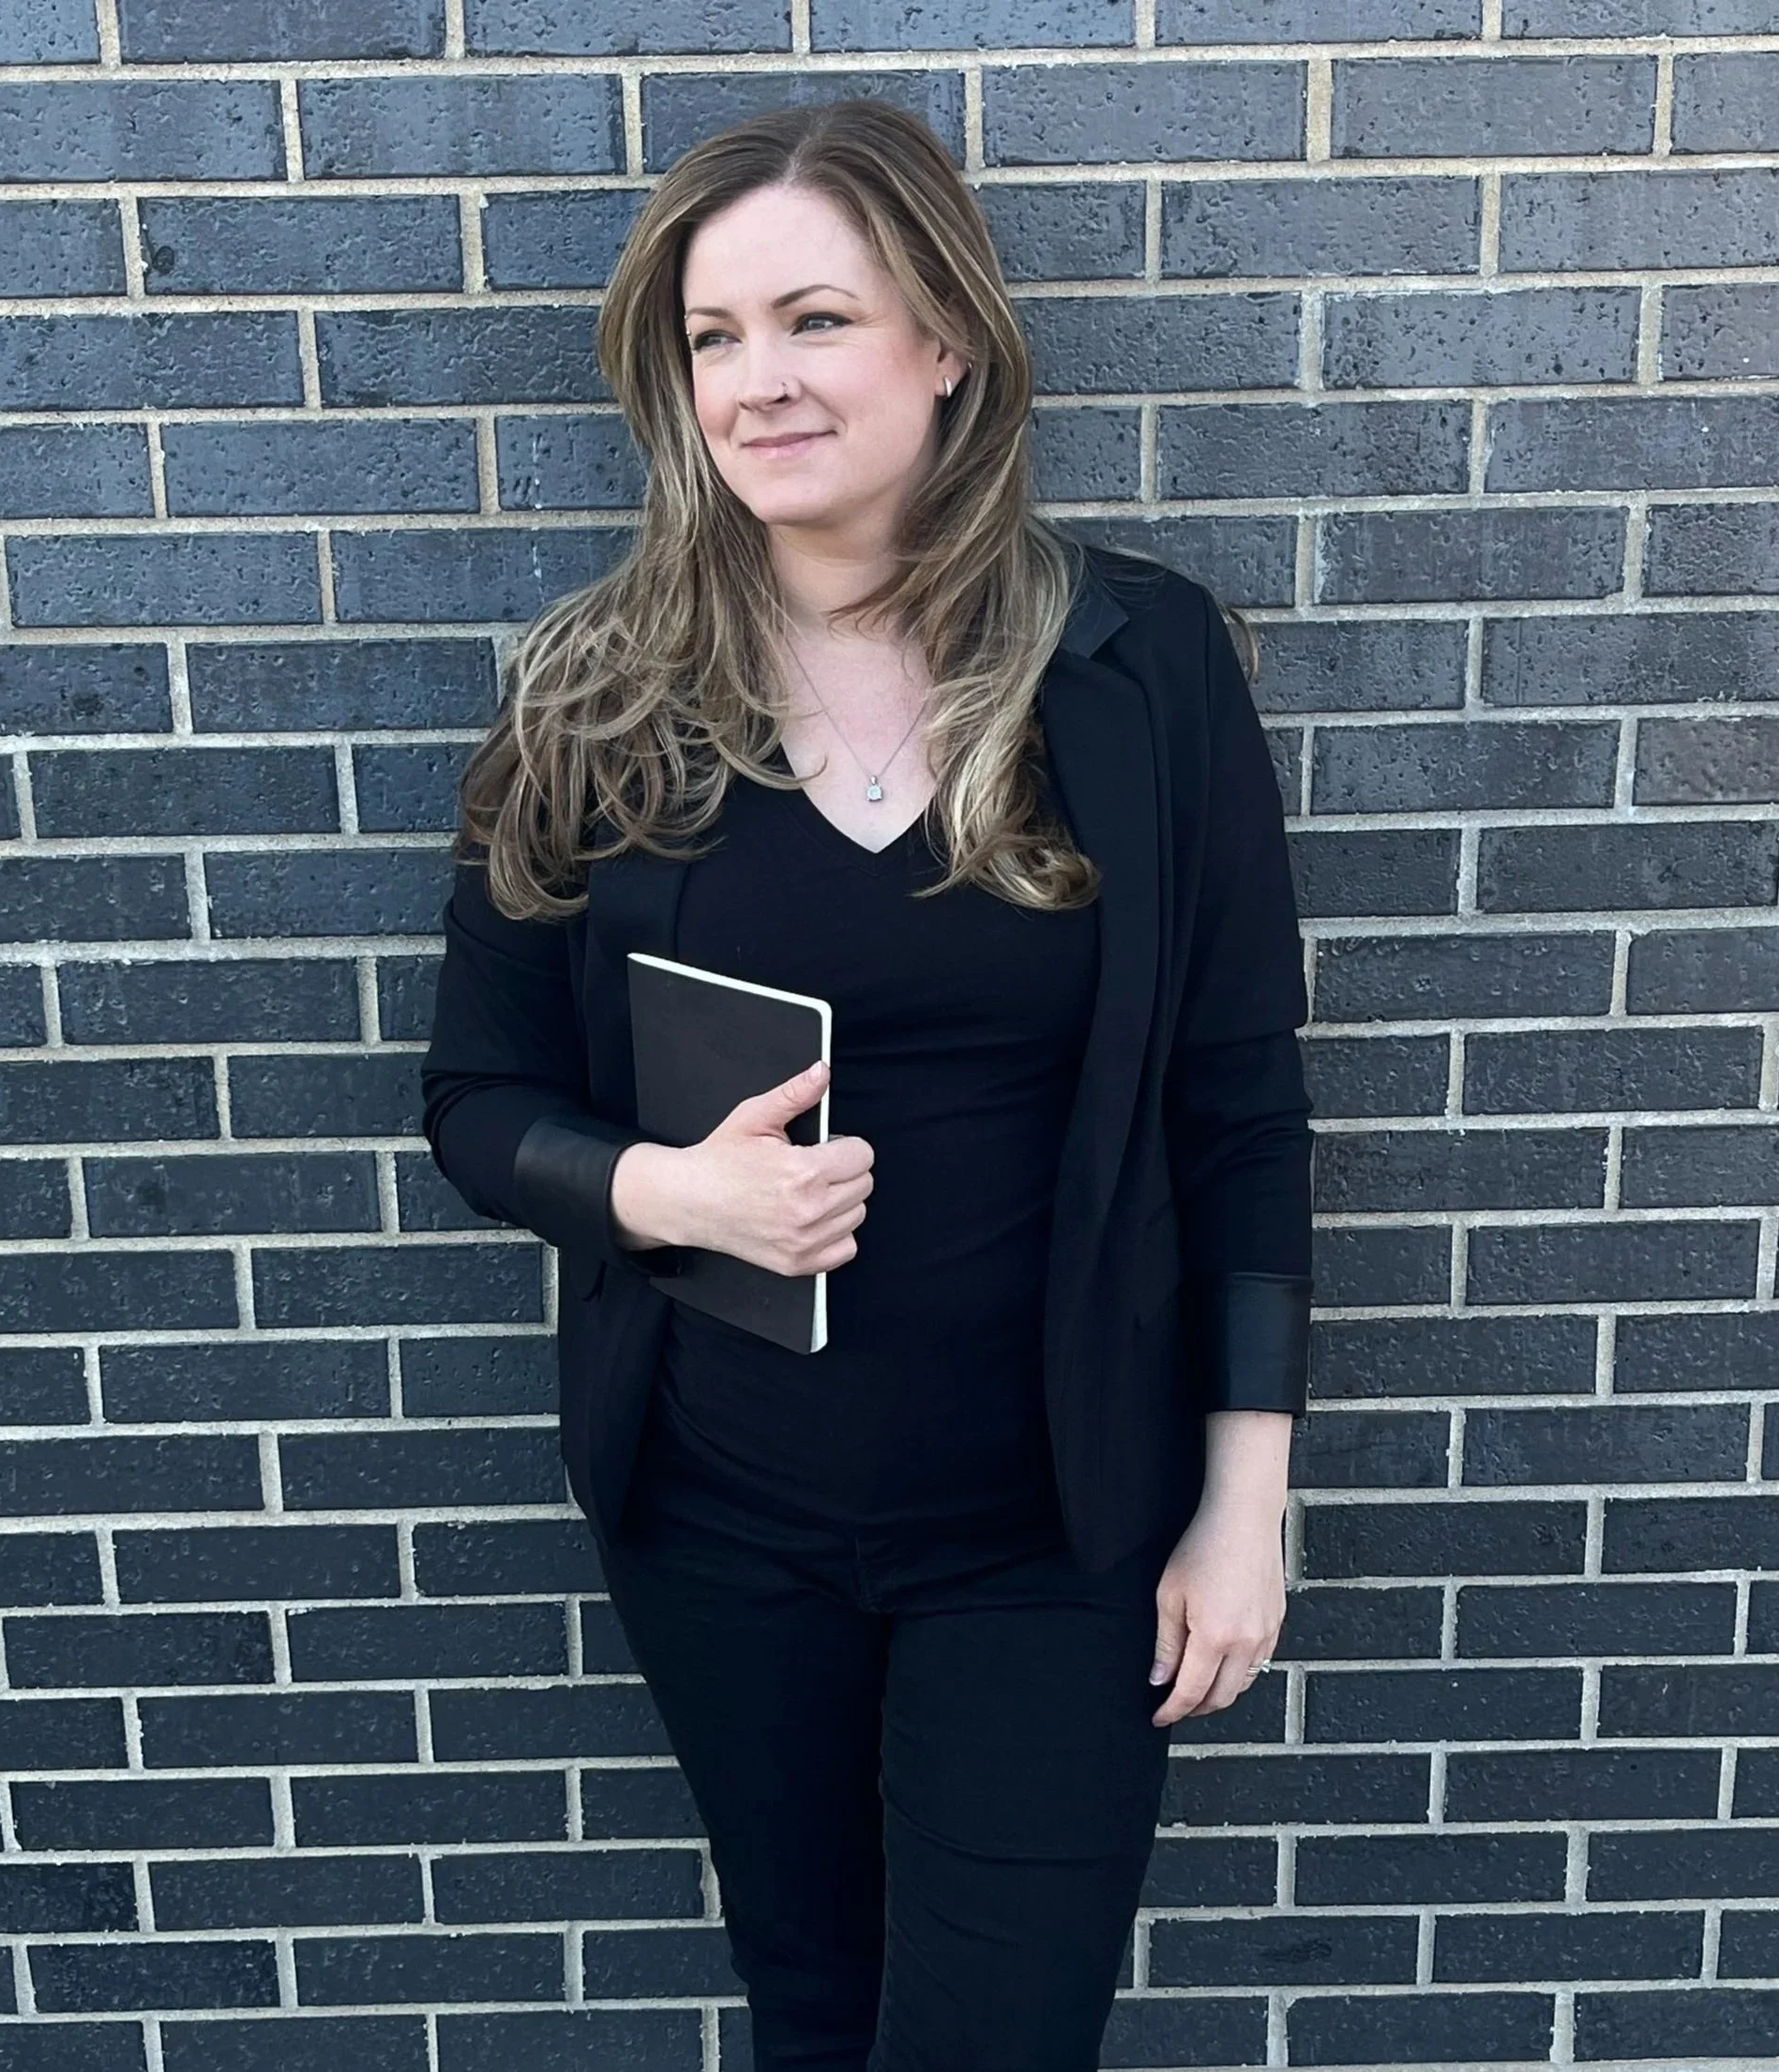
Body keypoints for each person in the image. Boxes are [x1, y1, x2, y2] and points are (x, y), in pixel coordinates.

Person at [420, 98, 1313, 2072]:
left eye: (814, 319)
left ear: (947, 342)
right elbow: (475, 1096)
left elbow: (1237, 1098)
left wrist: (1242, 1498)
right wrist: (666, 1192)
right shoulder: (594, 693)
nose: (757, 379)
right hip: (722, 1518)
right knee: (814, 2010)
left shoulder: (1137, 665)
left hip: (1055, 1518)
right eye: (712, 336)